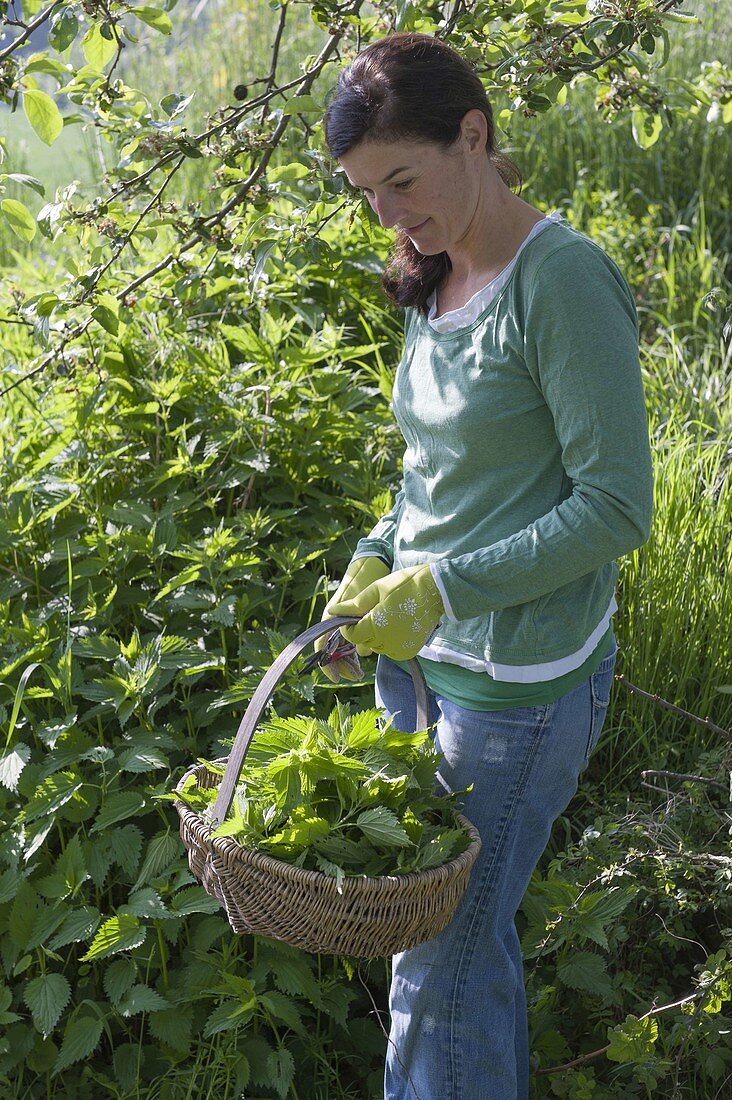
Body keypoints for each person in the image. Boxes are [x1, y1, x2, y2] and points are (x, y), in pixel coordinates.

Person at [316, 32, 653, 1100]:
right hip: (418, 665)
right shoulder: (441, 272)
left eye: (401, 181)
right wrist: (373, 562)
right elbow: (433, 472)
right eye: (368, 193)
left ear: (476, 136)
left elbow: (615, 507)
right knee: (442, 960)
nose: (388, 215)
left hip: (515, 694)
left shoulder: (561, 282)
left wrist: (443, 588)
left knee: (440, 971)